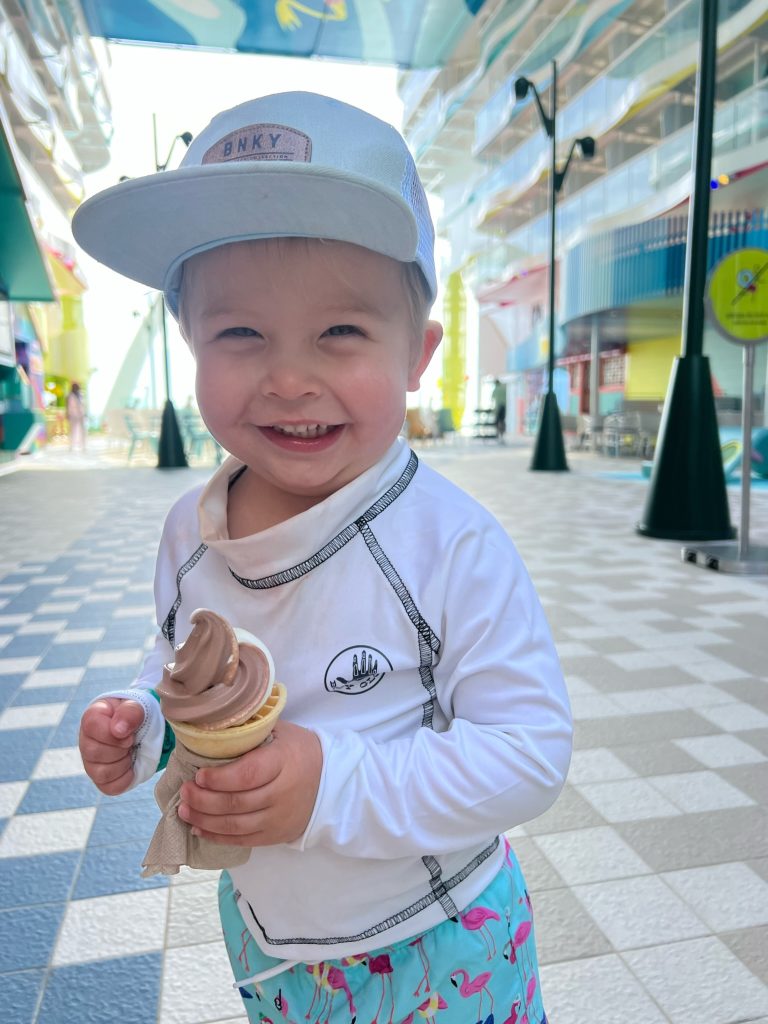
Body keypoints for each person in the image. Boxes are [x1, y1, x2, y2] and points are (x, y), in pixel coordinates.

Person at [74, 92, 571, 1023]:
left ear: (419, 353)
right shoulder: (191, 530)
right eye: (240, 333)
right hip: (271, 938)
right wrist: (146, 722)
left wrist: (328, 786)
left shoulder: (448, 541)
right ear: (189, 339)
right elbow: (183, 659)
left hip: (438, 935)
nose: (290, 376)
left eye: (340, 332)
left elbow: (528, 751)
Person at [65, 381, 86, 451]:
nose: (76, 388)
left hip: (81, 414)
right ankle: (71, 445)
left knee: (82, 430)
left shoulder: (81, 394)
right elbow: (67, 406)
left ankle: (83, 445)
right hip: (73, 414)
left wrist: (84, 413)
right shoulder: (69, 395)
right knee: (72, 430)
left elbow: (83, 405)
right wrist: (67, 414)